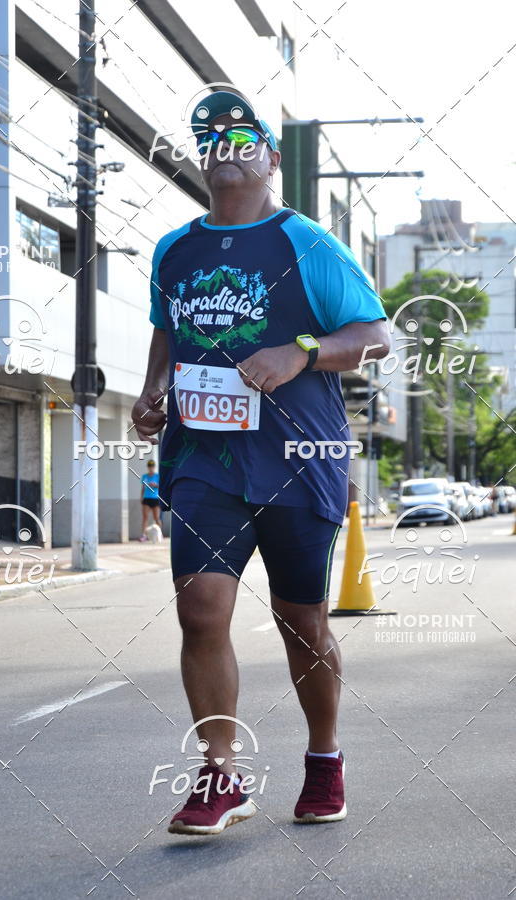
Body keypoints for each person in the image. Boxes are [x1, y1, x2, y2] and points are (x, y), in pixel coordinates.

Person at [131, 89, 390, 835]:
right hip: (204, 460)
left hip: (298, 458)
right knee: (200, 610)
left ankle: (324, 759)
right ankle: (221, 778)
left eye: (242, 134)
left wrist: (301, 351)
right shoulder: (174, 250)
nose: (224, 144)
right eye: (208, 135)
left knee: (300, 618)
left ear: (271, 158)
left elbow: (375, 335)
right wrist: (153, 392)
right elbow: (164, 331)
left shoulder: (306, 243)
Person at [139, 459, 161, 542]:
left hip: (155, 498)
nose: (151, 468)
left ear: (154, 467)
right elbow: (143, 488)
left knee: (156, 518)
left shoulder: (157, 476)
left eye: (152, 466)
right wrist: (141, 497)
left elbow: (161, 487)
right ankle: (144, 535)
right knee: (145, 517)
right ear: (148, 467)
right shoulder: (144, 476)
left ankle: (160, 534)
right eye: (149, 466)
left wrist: (155, 485)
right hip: (147, 498)